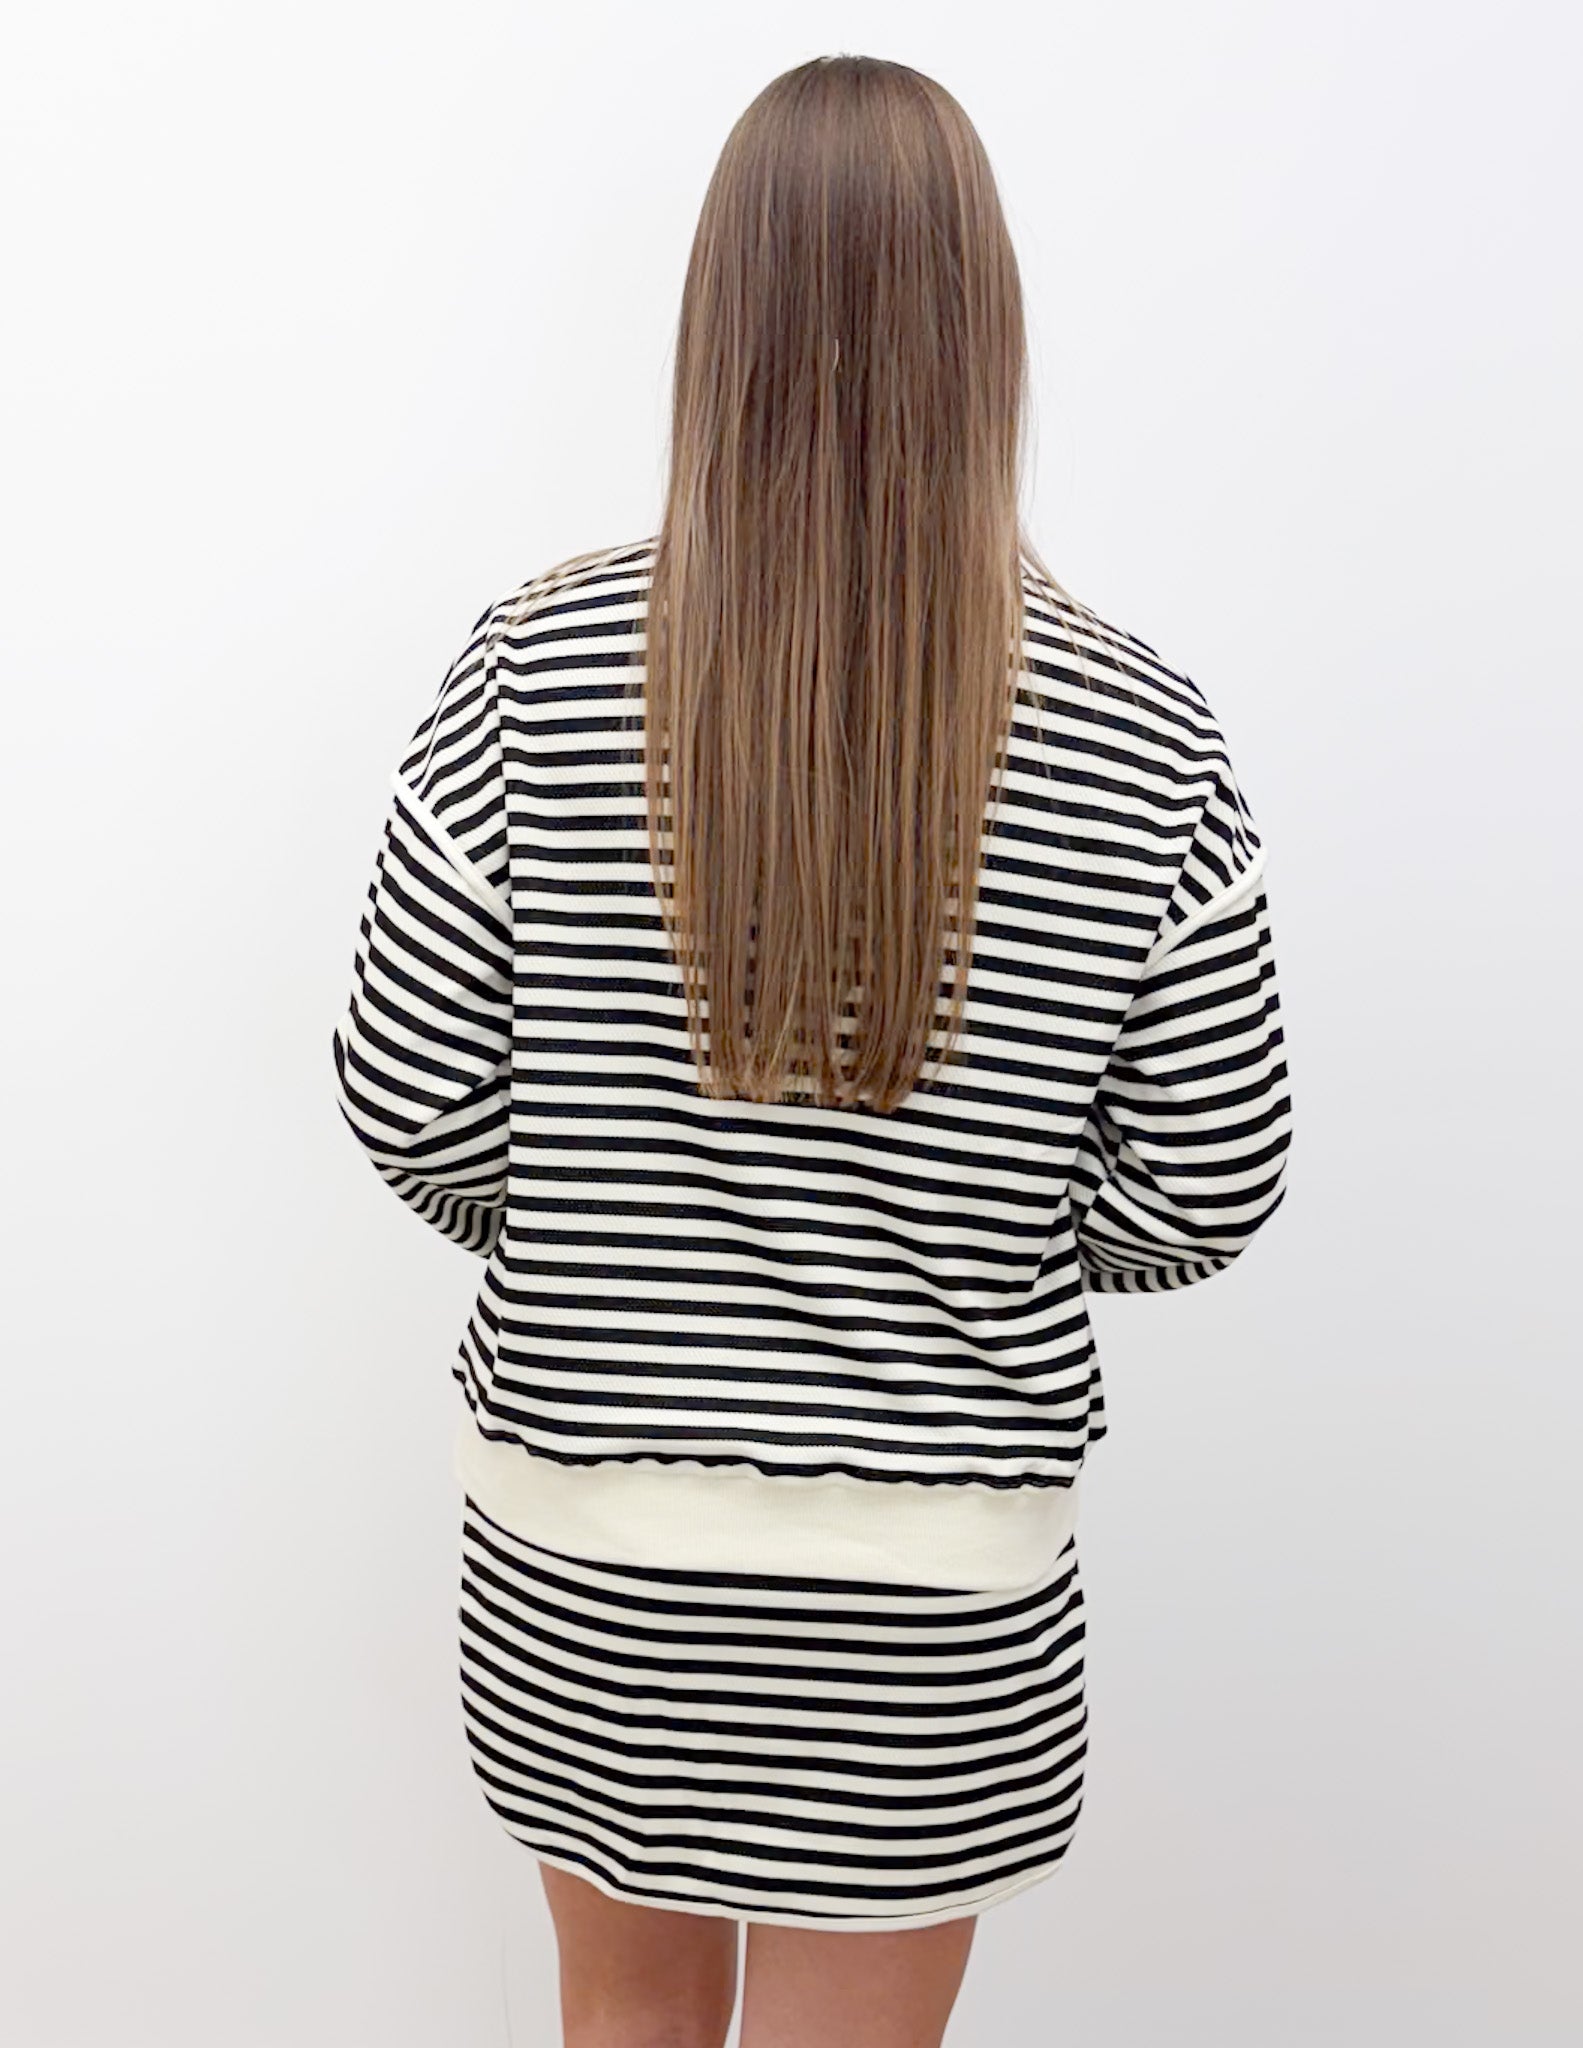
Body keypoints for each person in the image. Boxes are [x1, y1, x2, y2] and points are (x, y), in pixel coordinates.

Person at [330, 51, 1292, 2048]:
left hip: (594, 1558)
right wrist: (987, 1229)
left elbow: (407, 1099)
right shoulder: (1146, 731)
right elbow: (1211, 1184)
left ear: (719, 322)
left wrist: (597, 1212)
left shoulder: (528, 671)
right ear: (988, 330)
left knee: (625, 2024)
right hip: (934, 1593)